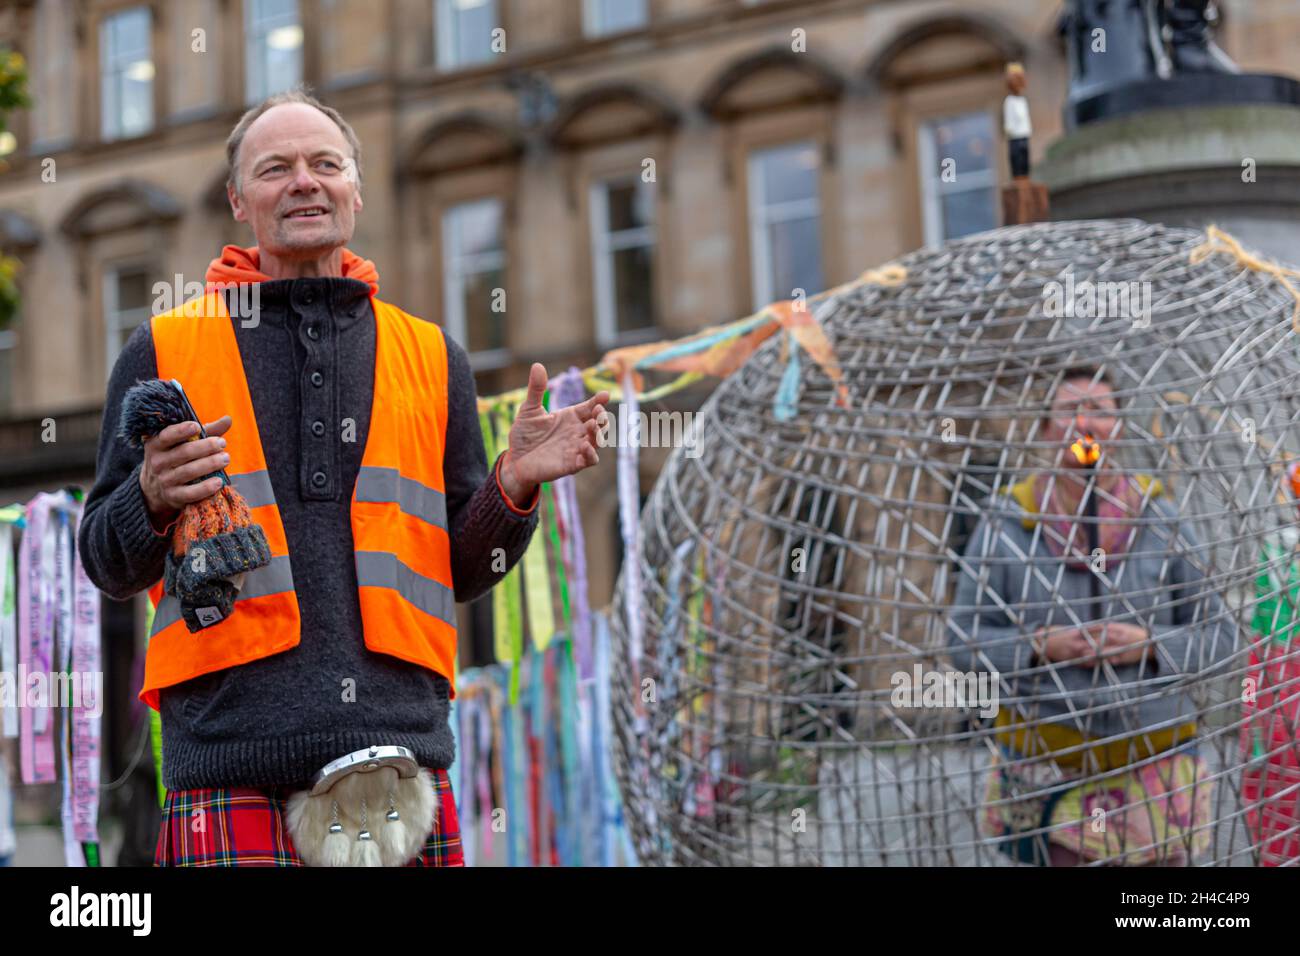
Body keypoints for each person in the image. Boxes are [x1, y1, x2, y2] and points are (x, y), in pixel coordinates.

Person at [77, 88, 610, 867]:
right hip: (230, 767)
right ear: (237, 199)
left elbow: (461, 569)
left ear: (356, 189)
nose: (304, 182)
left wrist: (513, 486)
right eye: (276, 168)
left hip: (402, 764)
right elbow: (103, 560)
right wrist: (148, 497)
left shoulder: (433, 356)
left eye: (326, 164)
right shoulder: (162, 348)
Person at [947, 365, 1237, 866]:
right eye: (1068, 411)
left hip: (1155, 756)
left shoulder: (1160, 520)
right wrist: (1040, 644)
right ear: (1044, 429)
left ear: (1119, 428)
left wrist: (1146, 643)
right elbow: (962, 641)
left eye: (1100, 412)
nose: (1085, 424)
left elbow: (1221, 638)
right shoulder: (1005, 525)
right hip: (1047, 756)